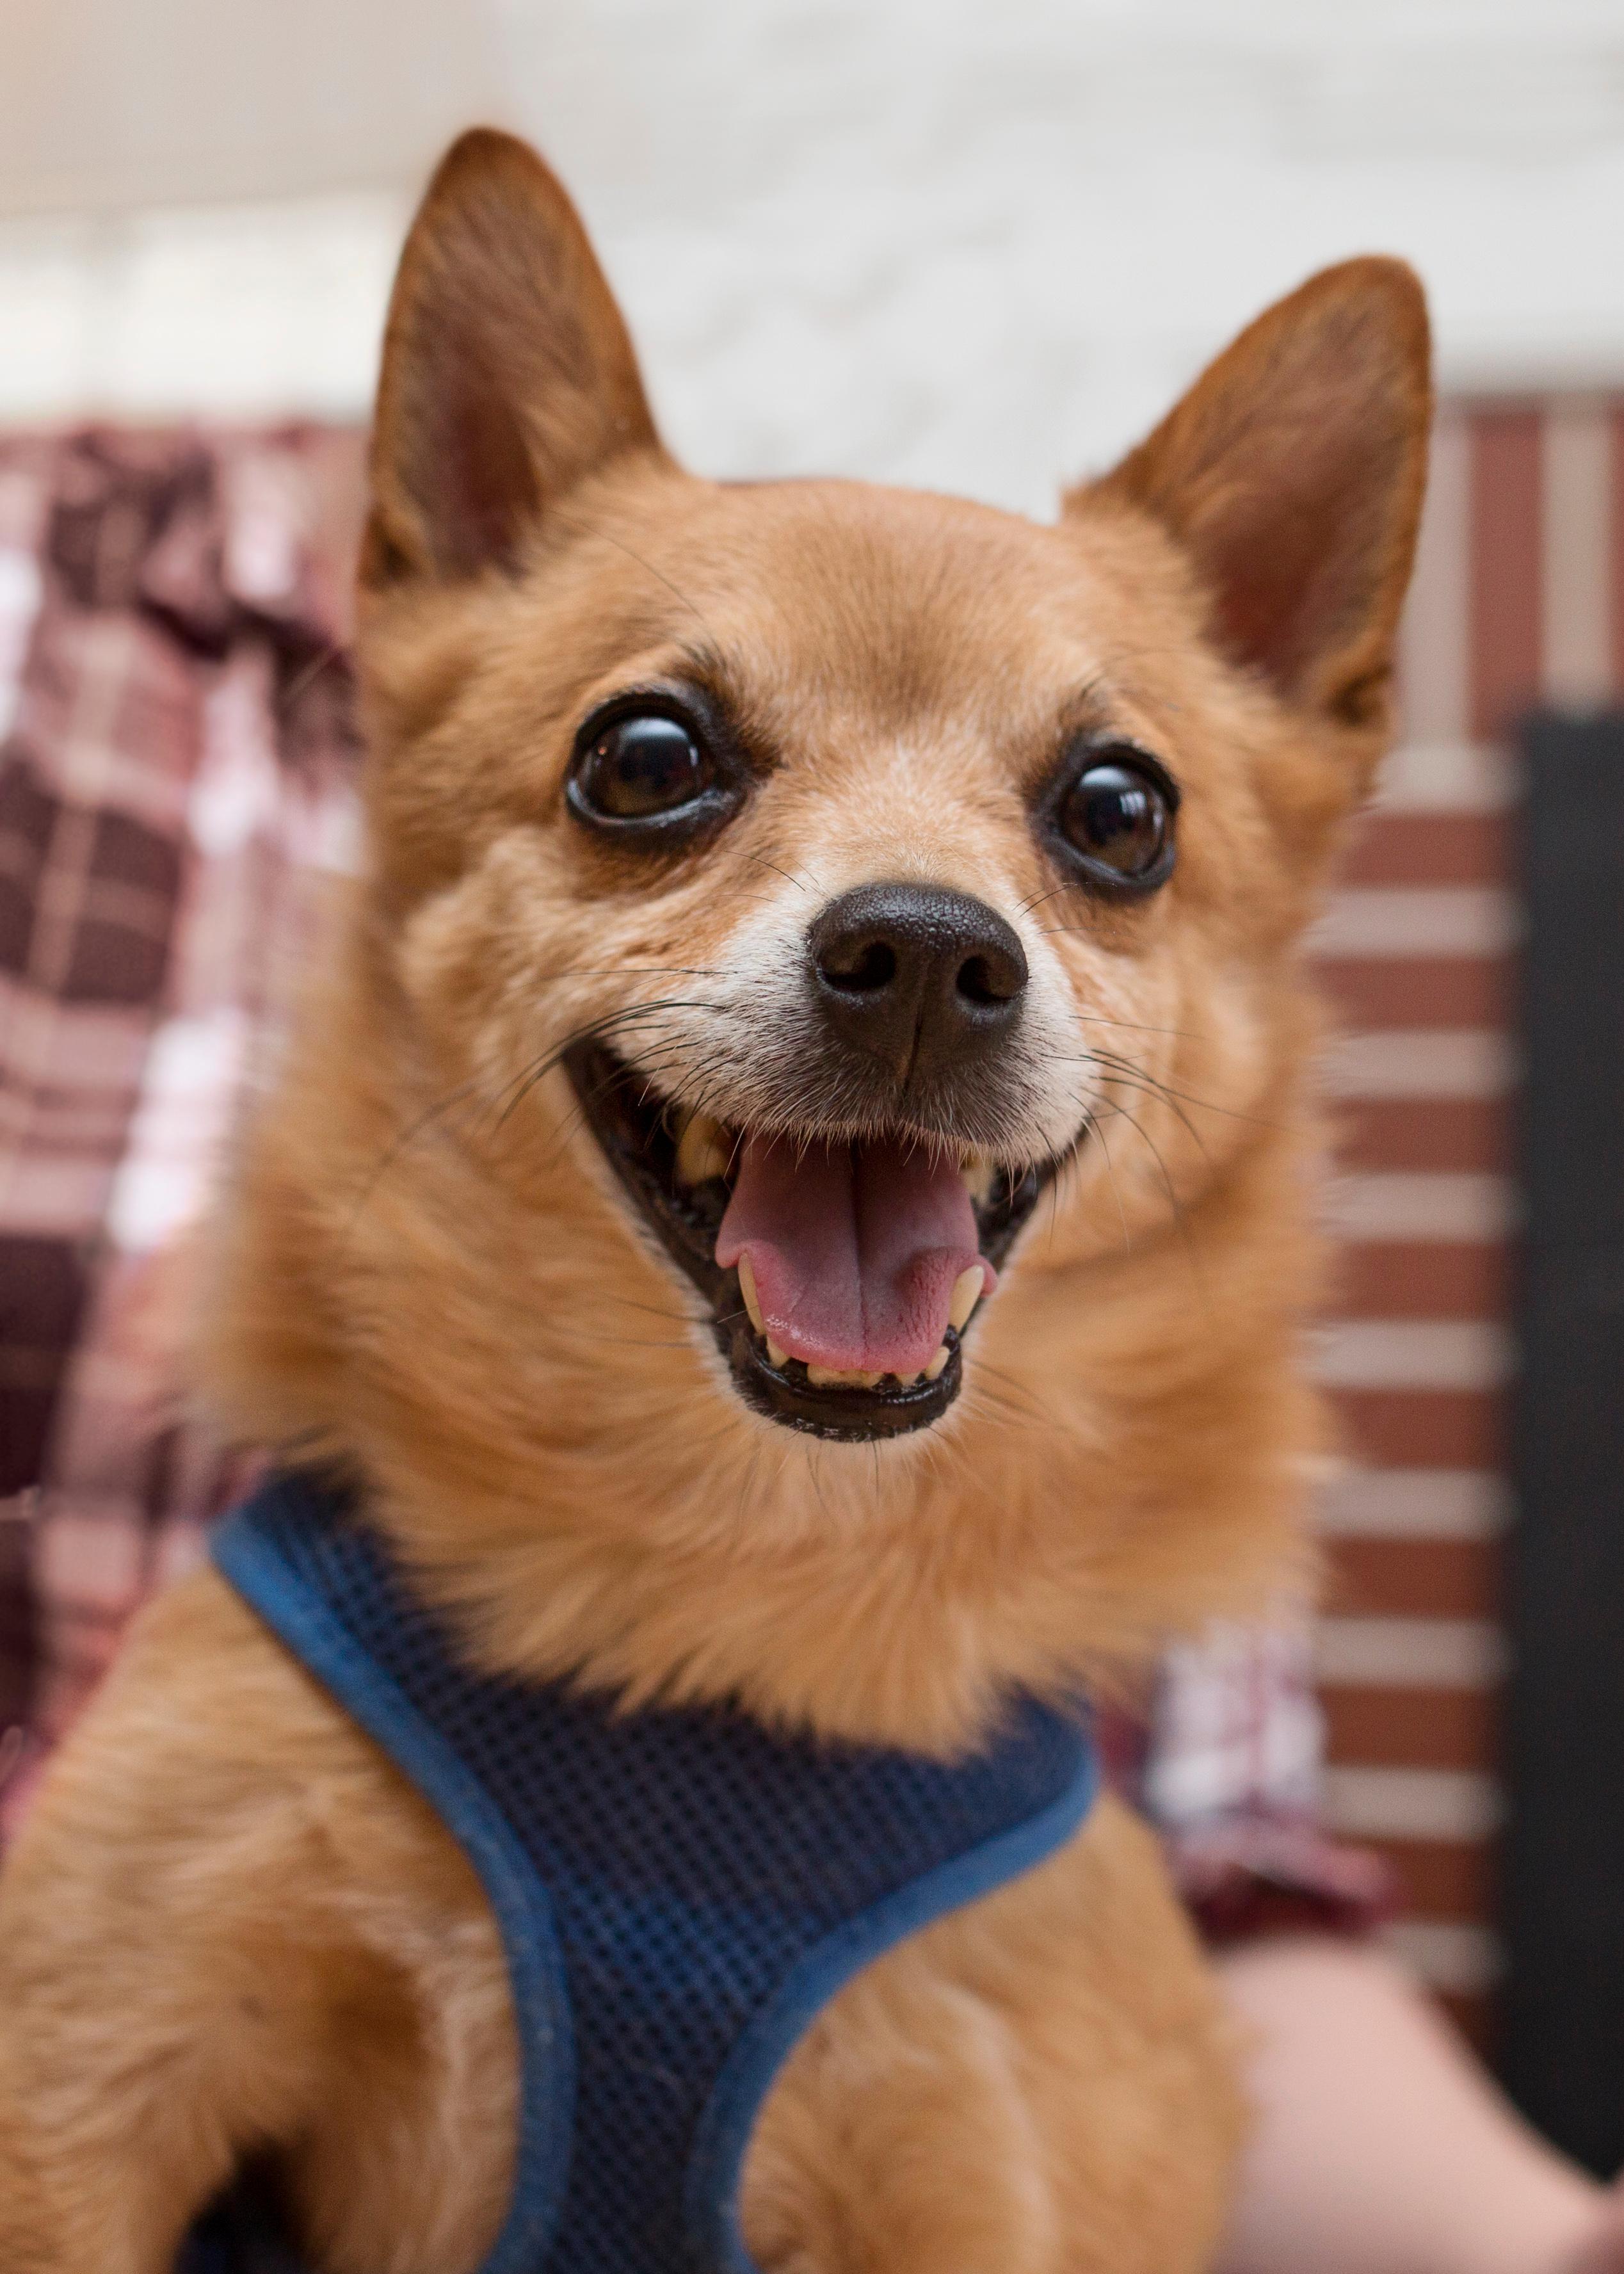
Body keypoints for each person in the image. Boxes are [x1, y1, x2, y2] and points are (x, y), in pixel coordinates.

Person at [1, 424, 1618, 2274]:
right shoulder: (279, 1669)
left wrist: (1547, 2247)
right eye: (659, 772)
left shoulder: (1067, 1732)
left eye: (1101, 818)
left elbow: (1237, 1883)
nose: (930, 928)